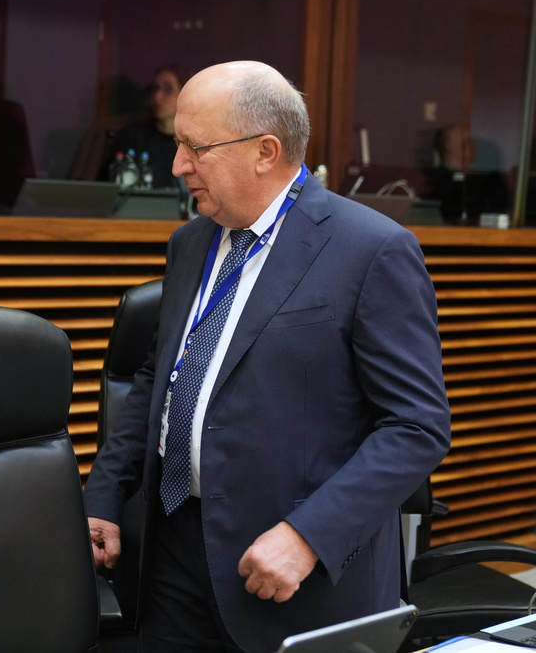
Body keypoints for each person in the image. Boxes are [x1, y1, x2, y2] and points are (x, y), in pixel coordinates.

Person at [84, 61, 451, 653]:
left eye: (193, 148)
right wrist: (104, 492)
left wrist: (309, 536)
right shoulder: (190, 242)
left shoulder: (372, 250)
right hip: (172, 554)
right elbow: (160, 378)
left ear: (265, 151)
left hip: (293, 574)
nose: (178, 166)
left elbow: (415, 426)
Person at [104, 64, 191, 189]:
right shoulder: (133, 137)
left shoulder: (195, 141)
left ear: (186, 93)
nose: (157, 97)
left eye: (168, 90)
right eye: (154, 89)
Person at [426, 123, 509, 224]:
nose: (474, 146)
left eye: (472, 141)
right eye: (466, 143)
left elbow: (502, 207)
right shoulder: (437, 180)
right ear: (449, 147)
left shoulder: (489, 178)